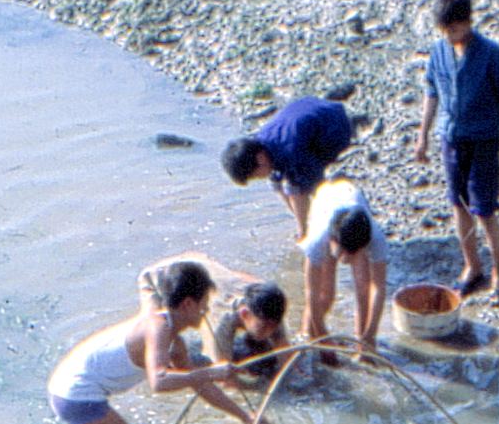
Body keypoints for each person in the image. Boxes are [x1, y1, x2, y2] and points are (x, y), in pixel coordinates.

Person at [47, 260, 256, 424]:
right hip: (74, 395)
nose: (207, 311)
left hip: (69, 387)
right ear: (188, 304)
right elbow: (159, 382)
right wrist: (213, 372)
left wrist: (245, 417)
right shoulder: (158, 327)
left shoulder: (176, 342)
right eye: (204, 304)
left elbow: (201, 385)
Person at [413, 0, 499, 306]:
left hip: (485, 140)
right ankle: (472, 266)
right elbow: (431, 93)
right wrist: (422, 136)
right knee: (458, 205)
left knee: (485, 210)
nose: (451, 35)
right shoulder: (438, 52)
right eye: (446, 31)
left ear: (469, 22)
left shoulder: (491, 54)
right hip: (451, 139)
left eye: (457, 29)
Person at [137, 252, 293, 379]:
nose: (270, 332)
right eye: (264, 326)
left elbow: (284, 352)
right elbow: (222, 375)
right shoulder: (222, 320)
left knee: (266, 358)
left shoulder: (270, 305)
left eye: (274, 326)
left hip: (202, 267)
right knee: (161, 336)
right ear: (244, 314)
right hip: (158, 277)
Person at [221, 96, 354, 237]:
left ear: (260, 159)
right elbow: (277, 183)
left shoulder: (290, 149)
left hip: (336, 126)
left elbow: (297, 192)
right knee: (276, 181)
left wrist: (303, 232)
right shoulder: (261, 144)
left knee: (301, 185)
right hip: (314, 108)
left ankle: (316, 226)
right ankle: (306, 222)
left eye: (255, 175)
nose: (258, 178)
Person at [298, 179, 389, 355]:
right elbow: (312, 293)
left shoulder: (376, 239)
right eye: (341, 254)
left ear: (364, 247)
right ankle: (306, 335)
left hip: (354, 207)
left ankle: (360, 342)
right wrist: (323, 337)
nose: (345, 260)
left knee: (363, 287)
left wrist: (370, 335)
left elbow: (378, 287)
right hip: (326, 200)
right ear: (332, 241)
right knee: (327, 294)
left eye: (351, 255)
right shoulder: (318, 240)